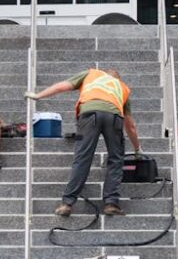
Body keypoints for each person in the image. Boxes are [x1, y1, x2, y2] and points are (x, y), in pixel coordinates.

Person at [26, 68, 141, 217]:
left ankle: (67, 203)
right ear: (118, 79)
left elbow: (62, 86)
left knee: (82, 159)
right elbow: (130, 126)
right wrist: (137, 149)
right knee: (116, 159)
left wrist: (37, 95)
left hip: (89, 115)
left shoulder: (91, 74)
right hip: (113, 117)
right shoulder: (121, 87)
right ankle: (111, 203)